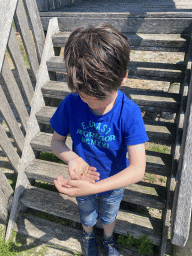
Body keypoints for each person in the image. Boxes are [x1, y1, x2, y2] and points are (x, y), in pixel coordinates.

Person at [50, 24, 149, 256]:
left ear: (123, 77)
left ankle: (108, 238)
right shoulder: (71, 103)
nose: (91, 103)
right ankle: (87, 235)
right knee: (86, 215)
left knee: (108, 216)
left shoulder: (130, 113)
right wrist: (72, 158)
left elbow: (138, 169)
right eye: (84, 96)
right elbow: (56, 142)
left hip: (113, 185)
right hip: (83, 182)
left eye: (99, 98)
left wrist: (95, 187)